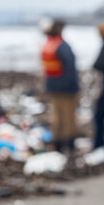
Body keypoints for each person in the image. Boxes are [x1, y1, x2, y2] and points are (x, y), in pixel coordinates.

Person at [40, 18, 80, 154]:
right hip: (67, 89)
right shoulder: (63, 46)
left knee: (56, 117)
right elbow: (71, 69)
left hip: (53, 87)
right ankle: (69, 145)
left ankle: (57, 144)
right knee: (68, 118)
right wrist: (75, 88)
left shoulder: (47, 46)